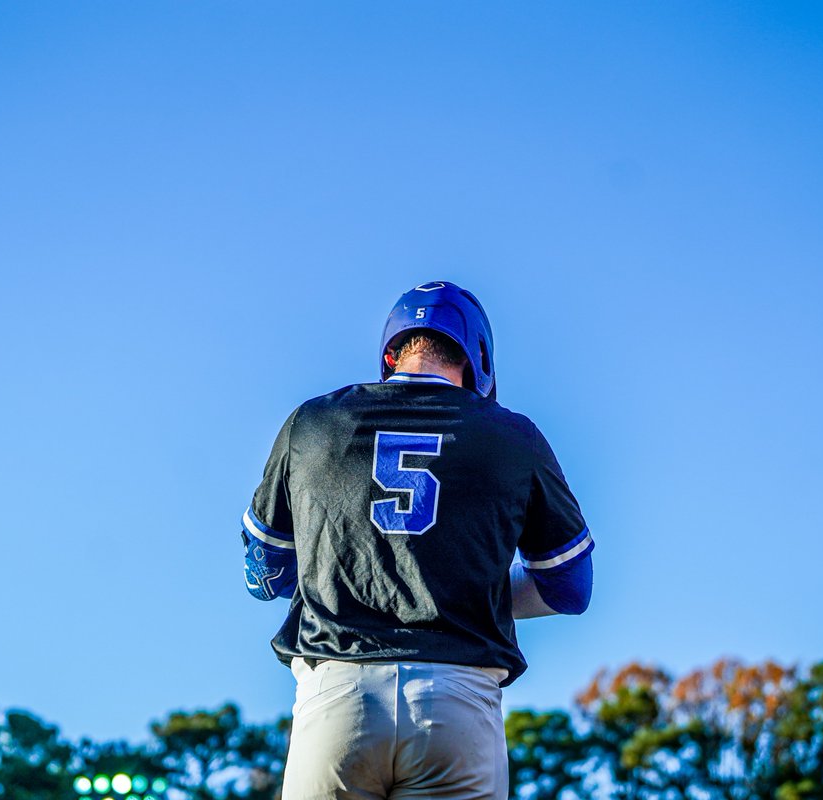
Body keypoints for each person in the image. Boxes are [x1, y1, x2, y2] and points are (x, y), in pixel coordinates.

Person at [241, 280, 594, 800]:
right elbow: (570, 587)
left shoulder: (312, 422)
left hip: (337, 693)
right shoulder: (514, 437)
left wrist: (343, 566)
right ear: (477, 360)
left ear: (391, 352)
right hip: (457, 700)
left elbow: (262, 572)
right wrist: (469, 588)